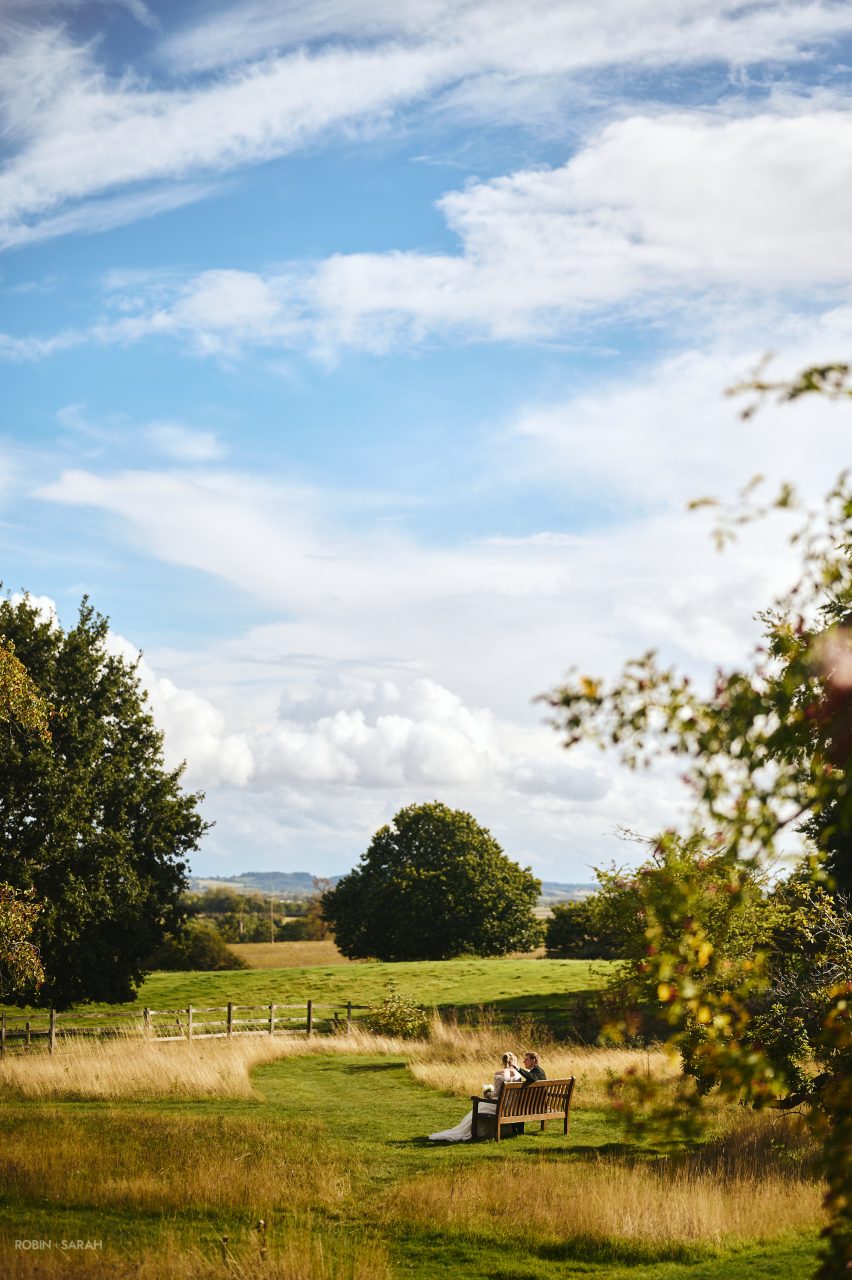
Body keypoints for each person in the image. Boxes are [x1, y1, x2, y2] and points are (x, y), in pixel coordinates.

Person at [428, 1052, 522, 1142]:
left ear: (503, 1061)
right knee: (483, 1105)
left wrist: (488, 1093)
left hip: (501, 1106)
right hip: (512, 1106)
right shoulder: (518, 1074)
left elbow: (495, 1094)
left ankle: (475, 1132)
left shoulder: (500, 1073)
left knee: (480, 1105)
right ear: (514, 1061)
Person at [509, 1051, 547, 1134]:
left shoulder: (537, 1072)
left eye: (526, 1059)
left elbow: (532, 1077)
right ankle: (518, 1130)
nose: (524, 1061)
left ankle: (516, 1130)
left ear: (533, 1061)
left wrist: (518, 1068)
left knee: (514, 1105)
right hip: (538, 1104)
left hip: (534, 1106)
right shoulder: (540, 1071)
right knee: (518, 1103)